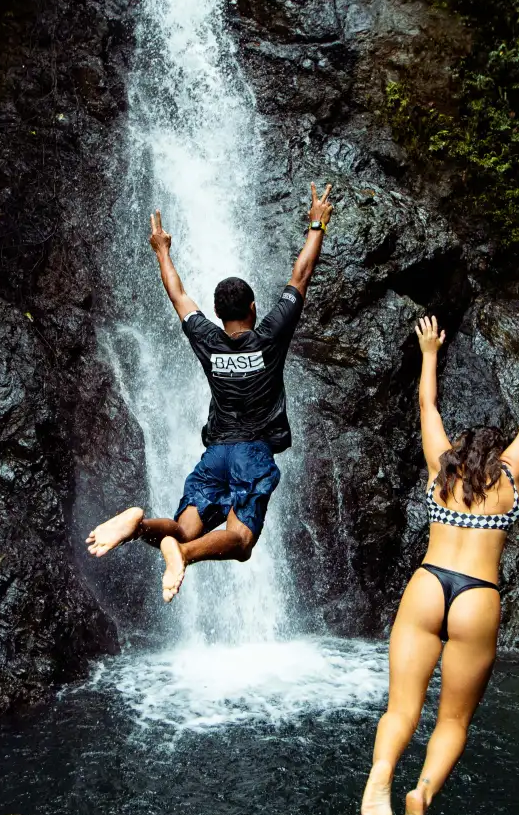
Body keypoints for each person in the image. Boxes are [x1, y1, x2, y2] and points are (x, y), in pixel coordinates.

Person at [362, 310, 519, 815]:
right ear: (495, 453)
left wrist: (430, 353)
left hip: (429, 584)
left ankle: (382, 772)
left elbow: (426, 407)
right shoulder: (509, 477)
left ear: (460, 450)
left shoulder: (441, 469)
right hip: (477, 596)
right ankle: (423, 794)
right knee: (453, 719)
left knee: (400, 710)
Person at [84, 183, 335, 602]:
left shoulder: (208, 339)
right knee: (240, 543)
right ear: (253, 309)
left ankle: (139, 527)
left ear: (217, 315)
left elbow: (178, 295)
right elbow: (301, 275)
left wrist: (162, 250)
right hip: (251, 452)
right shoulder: (270, 337)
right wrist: (316, 223)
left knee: (183, 524)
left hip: (215, 453)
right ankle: (181, 553)